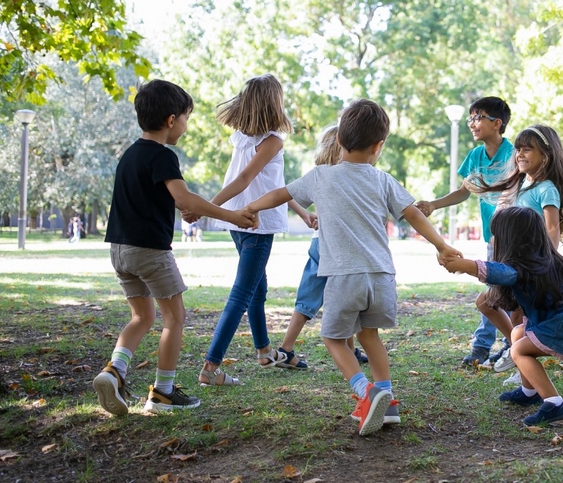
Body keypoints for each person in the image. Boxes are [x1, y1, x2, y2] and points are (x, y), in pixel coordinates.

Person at [243, 99, 460, 436]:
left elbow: (281, 194)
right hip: (382, 277)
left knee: (332, 337)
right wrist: (442, 245)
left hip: (344, 277)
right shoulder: (383, 180)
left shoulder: (320, 176)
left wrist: (252, 207)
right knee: (369, 336)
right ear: (379, 146)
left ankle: (366, 392)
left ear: (339, 141)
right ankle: (387, 401)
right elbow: (414, 213)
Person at [93, 79, 255, 416]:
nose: (185, 125)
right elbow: (183, 198)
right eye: (185, 118)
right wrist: (232, 215)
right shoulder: (163, 156)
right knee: (174, 318)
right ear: (171, 120)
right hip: (150, 252)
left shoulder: (129, 155)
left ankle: (115, 371)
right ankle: (163, 392)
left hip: (119, 250)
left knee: (141, 316)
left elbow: (163, 200)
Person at [178, 75, 316, 387]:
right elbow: (243, 180)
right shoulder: (272, 141)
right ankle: (210, 367)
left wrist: (303, 212)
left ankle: (265, 352)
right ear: (274, 103)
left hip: (237, 221)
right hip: (256, 222)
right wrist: (203, 206)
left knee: (257, 288)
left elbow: (275, 184)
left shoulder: (242, 137)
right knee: (242, 293)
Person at [441, 207, 563, 426]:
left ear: (511, 240)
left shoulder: (523, 267)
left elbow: (501, 272)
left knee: (518, 350)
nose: (492, 240)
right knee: (518, 334)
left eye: (496, 235)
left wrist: (464, 266)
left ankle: (555, 404)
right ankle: (529, 392)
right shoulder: (540, 262)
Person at [472, 124, 563, 382]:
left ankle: (522, 367)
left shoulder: (546, 189)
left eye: (527, 149)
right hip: (512, 264)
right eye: (518, 149)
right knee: (486, 303)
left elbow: (552, 228)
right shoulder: (518, 185)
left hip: (532, 266)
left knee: (520, 316)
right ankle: (515, 350)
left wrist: (548, 262)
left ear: (546, 154)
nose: (519, 154)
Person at [415, 96, 513, 367]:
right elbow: (463, 192)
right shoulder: (475, 156)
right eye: (470, 118)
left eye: (477, 117)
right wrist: (434, 205)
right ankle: (507, 344)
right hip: (491, 238)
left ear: (497, 123)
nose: (472, 123)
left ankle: (487, 347)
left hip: (515, 238)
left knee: (497, 292)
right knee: (496, 291)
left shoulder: (514, 154)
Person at [276, 125, 369, 371]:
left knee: (311, 296)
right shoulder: (348, 174)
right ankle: (344, 348)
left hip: (319, 242)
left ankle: (287, 348)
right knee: (345, 294)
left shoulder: (319, 173)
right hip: (338, 246)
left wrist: (307, 214)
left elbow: (288, 193)